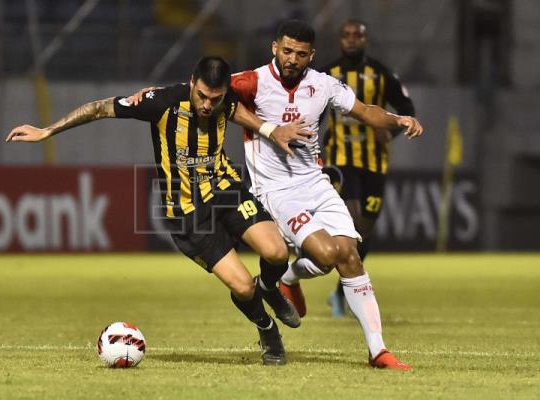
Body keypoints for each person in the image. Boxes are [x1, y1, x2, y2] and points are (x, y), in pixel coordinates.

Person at [128, 22, 423, 371]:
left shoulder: (323, 84)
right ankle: (284, 280)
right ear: (274, 48)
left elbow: (365, 110)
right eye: (287, 51)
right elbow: (205, 87)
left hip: (316, 182)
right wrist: (155, 93)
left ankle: (378, 351)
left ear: (310, 56)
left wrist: (398, 118)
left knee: (350, 255)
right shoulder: (252, 82)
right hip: (277, 191)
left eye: (300, 54)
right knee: (327, 254)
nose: (292, 59)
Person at [6, 56, 313, 366]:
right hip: (187, 211)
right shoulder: (160, 102)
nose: (208, 105)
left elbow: (237, 110)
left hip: (225, 190)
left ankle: (271, 287)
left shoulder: (225, 97)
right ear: (192, 83)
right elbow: (100, 108)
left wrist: (271, 131)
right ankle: (267, 328)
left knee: (276, 252)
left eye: (215, 99)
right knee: (243, 285)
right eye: (202, 96)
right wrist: (47, 130)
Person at [321, 19, 416, 317]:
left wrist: (390, 132)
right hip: (340, 161)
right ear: (340, 40)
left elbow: (407, 111)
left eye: (356, 36)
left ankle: (340, 291)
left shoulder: (382, 74)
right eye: (346, 35)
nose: (351, 40)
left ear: (365, 40)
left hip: (374, 163)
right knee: (353, 223)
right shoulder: (328, 75)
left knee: (366, 231)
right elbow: (314, 112)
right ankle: (348, 291)